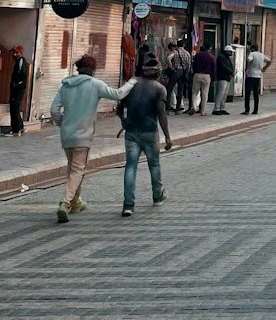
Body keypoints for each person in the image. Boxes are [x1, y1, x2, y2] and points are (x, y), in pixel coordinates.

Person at [50, 55, 137, 224]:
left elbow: (54, 110)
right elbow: (118, 94)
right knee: (77, 170)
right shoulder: (94, 84)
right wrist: (132, 82)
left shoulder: (66, 85)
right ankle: (65, 203)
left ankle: (76, 203)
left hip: (66, 135)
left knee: (73, 169)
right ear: (92, 70)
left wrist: (64, 123)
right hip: (83, 134)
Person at [117, 56, 170, 218]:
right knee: (154, 164)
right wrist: (167, 137)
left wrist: (124, 121)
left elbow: (119, 108)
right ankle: (157, 195)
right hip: (149, 132)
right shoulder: (160, 88)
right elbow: (161, 113)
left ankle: (128, 204)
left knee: (130, 166)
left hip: (131, 132)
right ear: (158, 73)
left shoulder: (131, 86)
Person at [7, 45, 29, 135]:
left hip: (18, 89)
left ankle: (15, 130)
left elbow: (22, 74)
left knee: (14, 108)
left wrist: (17, 84)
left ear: (20, 53)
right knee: (15, 107)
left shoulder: (21, 61)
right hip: (18, 88)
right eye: (13, 53)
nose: (14, 54)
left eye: (16, 53)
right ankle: (20, 127)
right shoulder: (19, 61)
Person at [243, 44, 270, 114]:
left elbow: (249, 60)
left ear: (253, 48)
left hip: (250, 75)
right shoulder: (261, 55)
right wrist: (264, 68)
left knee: (248, 93)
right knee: (256, 94)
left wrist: (247, 65)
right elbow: (269, 61)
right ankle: (255, 110)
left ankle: (247, 109)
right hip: (258, 75)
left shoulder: (251, 54)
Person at [191, 45, 215, 115]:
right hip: (206, 75)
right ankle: (203, 111)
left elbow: (194, 65)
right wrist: (213, 79)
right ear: (209, 49)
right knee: (204, 93)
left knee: (194, 92)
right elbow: (213, 68)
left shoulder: (197, 55)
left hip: (197, 74)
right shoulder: (211, 56)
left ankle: (194, 107)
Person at [213, 45, 235, 114]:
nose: (231, 53)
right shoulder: (221, 57)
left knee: (225, 94)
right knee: (221, 93)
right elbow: (223, 67)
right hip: (222, 77)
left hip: (227, 77)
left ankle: (222, 107)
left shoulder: (227, 58)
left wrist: (231, 72)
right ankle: (216, 108)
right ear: (227, 51)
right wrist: (230, 72)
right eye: (230, 52)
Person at [164, 42, 183, 111]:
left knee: (170, 89)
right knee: (180, 90)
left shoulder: (174, 52)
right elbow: (188, 64)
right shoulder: (186, 53)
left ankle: (168, 108)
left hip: (175, 71)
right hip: (183, 72)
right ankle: (178, 107)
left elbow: (168, 58)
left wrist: (171, 67)